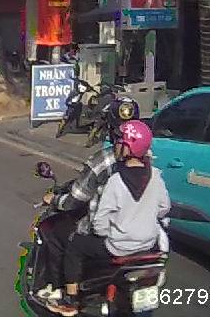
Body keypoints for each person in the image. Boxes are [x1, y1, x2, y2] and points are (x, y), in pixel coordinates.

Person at [49, 120, 169, 316]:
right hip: (147, 245)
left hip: (118, 247)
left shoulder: (116, 181)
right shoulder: (156, 176)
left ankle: (70, 300)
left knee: (75, 245)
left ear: (128, 147)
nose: (116, 145)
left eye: (120, 141)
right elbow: (164, 208)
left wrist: (110, 232)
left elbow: (100, 224)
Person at [35, 101, 137, 302]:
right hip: (139, 232)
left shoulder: (104, 160)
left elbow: (76, 199)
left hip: (107, 232)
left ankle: (62, 292)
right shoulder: (149, 163)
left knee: (58, 234)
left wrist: (55, 200)